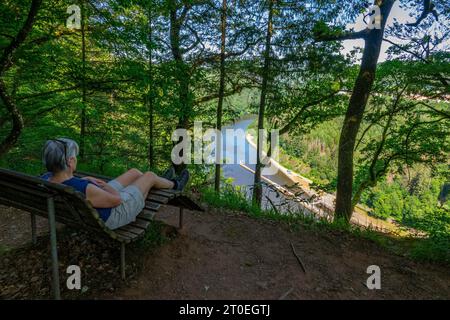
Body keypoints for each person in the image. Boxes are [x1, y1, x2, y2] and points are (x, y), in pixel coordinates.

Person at [40, 138, 189, 230]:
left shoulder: (46, 178)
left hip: (94, 201)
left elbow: (76, 186)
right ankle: (175, 185)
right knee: (148, 176)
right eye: (75, 157)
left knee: (135, 172)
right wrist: (103, 185)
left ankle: (160, 181)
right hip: (115, 213)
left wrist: (87, 181)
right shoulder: (81, 188)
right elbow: (117, 199)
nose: (76, 159)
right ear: (70, 161)